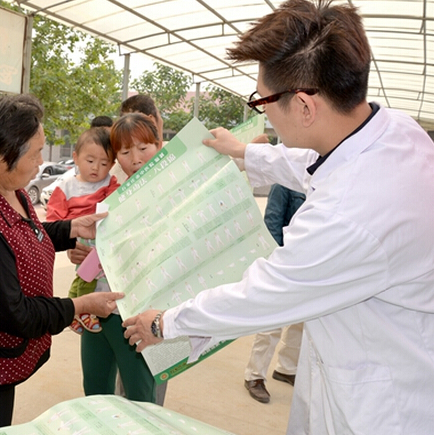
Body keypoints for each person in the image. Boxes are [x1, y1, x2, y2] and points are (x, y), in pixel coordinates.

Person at [123, 1, 434, 433]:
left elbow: (265, 293)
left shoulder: (347, 215)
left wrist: (167, 321)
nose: (262, 110)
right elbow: (315, 163)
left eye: (262, 100)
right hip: (367, 350)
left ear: (305, 106)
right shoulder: (393, 132)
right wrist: (245, 152)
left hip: (377, 405)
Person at [0, 94, 123, 434]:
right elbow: (17, 314)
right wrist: (80, 305)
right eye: (35, 153)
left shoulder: (8, 185)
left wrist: (71, 229)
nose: (42, 161)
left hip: (8, 353)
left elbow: (27, 235)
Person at [78, 113, 162, 404]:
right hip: (99, 310)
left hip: (139, 315)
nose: (135, 158)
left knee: (141, 398)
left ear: (159, 145)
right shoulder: (110, 195)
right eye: (125, 152)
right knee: (95, 393)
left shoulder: (172, 193)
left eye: (143, 148)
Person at [47, 127, 120, 334]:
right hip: (80, 240)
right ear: (75, 158)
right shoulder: (66, 186)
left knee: (87, 276)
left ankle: (75, 308)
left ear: (112, 165)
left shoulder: (110, 183)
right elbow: (54, 220)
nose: (96, 168)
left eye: (104, 163)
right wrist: (69, 239)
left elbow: (118, 202)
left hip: (103, 237)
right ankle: (84, 310)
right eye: (90, 161)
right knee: (88, 274)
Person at [244, 184, 305, 403]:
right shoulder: (285, 183)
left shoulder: (328, 178)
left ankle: (287, 368)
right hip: (284, 264)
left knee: (302, 322)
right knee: (271, 323)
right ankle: (255, 375)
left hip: (310, 265)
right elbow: (272, 223)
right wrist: (275, 266)